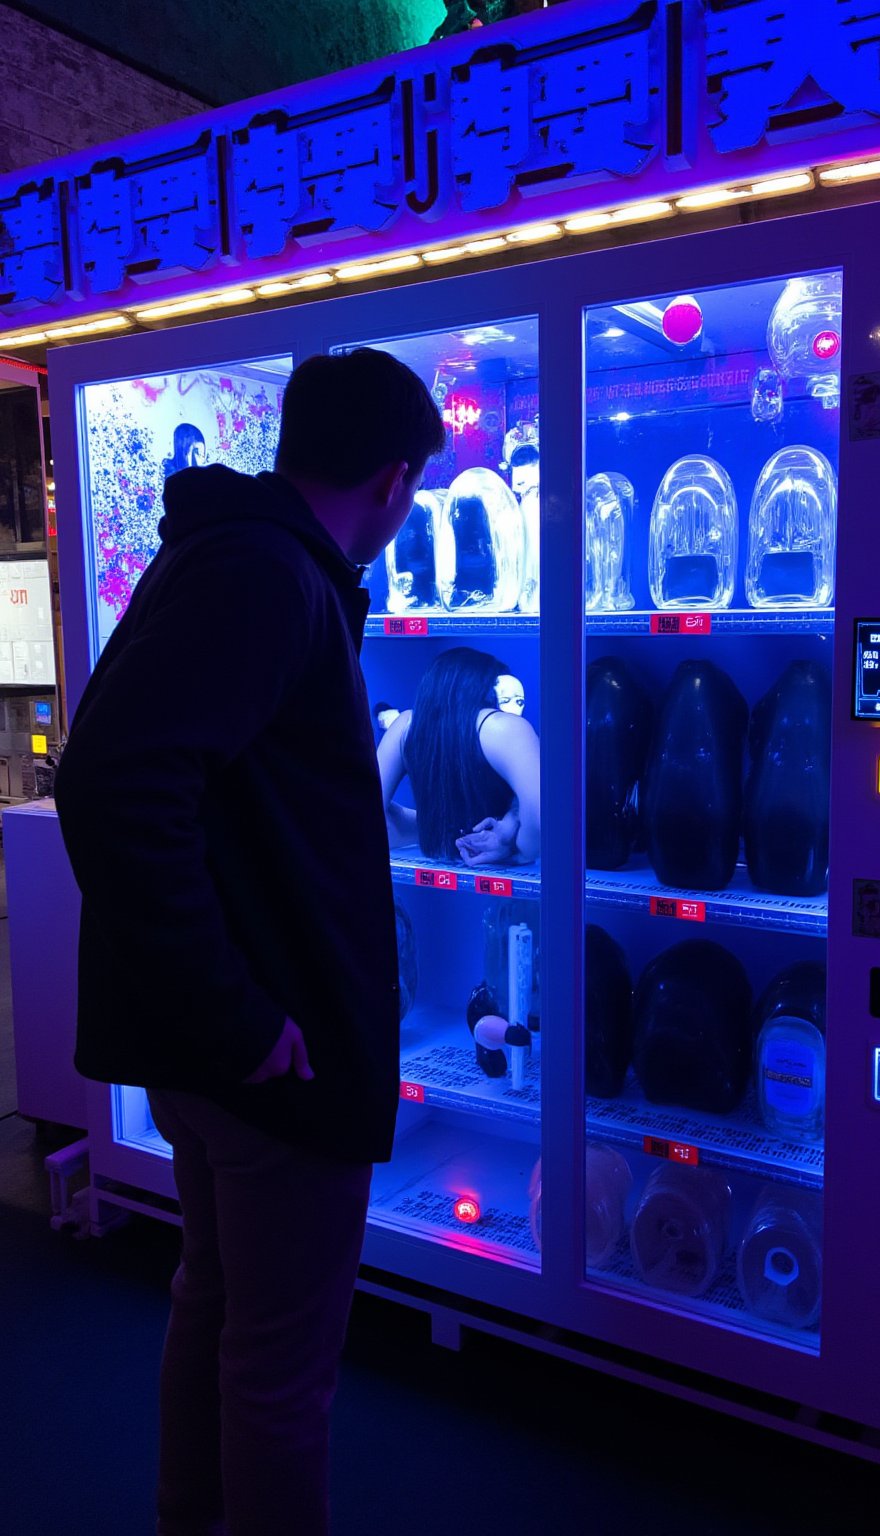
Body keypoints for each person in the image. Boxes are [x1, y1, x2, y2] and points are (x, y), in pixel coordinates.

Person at [54, 349, 446, 1536]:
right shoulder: (270, 578)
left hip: (227, 1047)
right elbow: (115, 787)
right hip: (267, 1058)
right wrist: (236, 1014)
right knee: (279, 1369)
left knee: (217, 1310)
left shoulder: (238, 554)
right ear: (392, 479)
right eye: (416, 485)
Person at [377, 646, 540, 867]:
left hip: (438, 856)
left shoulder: (406, 726)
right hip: (499, 865)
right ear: (484, 688)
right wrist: (520, 852)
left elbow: (364, 808)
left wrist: (434, 828)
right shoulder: (504, 727)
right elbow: (540, 817)